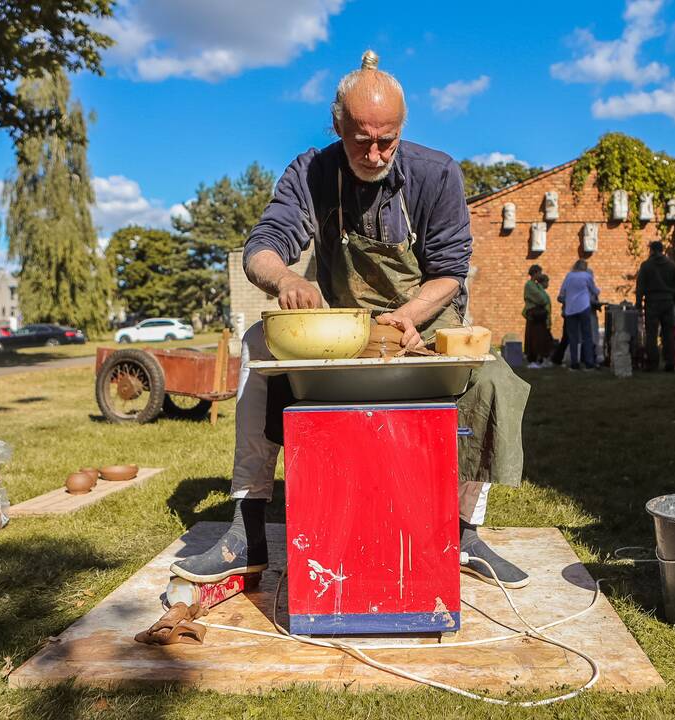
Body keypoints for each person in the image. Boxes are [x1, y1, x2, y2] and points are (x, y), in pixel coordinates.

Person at [170, 51, 532, 589]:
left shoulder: (436, 173)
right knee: (255, 344)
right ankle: (247, 532)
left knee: (494, 379)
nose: (376, 152)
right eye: (361, 138)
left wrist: (408, 315)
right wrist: (287, 280)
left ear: (402, 128)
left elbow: (451, 272)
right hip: (346, 325)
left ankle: (463, 532)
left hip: (425, 319)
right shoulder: (312, 172)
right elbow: (262, 247)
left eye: (388, 138)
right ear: (336, 123)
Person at [635, 241, 675, 372]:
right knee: (668, 333)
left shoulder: (646, 266)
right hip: (668, 302)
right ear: (662, 250)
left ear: (652, 250)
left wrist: (638, 304)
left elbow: (640, 287)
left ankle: (652, 363)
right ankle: (670, 361)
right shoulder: (672, 266)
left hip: (652, 303)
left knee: (651, 333)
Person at [557, 259, 600, 369]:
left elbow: (562, 292)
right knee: (587, 336)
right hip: (584, 307)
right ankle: (589, 362)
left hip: (570, 309)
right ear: (585, 267)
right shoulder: (586, 276)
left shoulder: (569, 276)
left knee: (573, 337)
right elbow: (594, 291)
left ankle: (574, 362)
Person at [522, 270, 553, 367]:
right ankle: (533, 360)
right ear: (534, 273)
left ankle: (541, 359)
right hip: (535, 316)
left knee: (542, 339)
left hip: (541, 317)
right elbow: (542, 299)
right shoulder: (530, 285)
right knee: (534, 338)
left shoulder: (537, 286)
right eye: (539, 272)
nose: (540, 275)